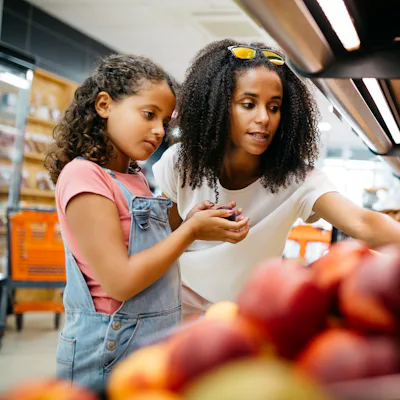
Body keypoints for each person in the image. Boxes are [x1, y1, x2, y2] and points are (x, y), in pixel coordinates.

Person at [153, 39, 400, 319]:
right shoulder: (182, 163)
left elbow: (362, 222)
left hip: (244, 317)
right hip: (170, 308)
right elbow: (158, 243)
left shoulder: (297, 179)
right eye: (248, 104)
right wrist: (192, 230)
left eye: (274, 107)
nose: (264, 118)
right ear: (219, 107)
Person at [45, 54, 250, 389]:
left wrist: (191, 218)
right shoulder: (84, 176)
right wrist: (188, 232)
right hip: (107, 351)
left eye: (165, 122)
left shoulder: (132, 176)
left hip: (148, 344)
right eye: (148, 114)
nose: (159, 131)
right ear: (104, 105)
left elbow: (146, 250)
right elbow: (120, 282)